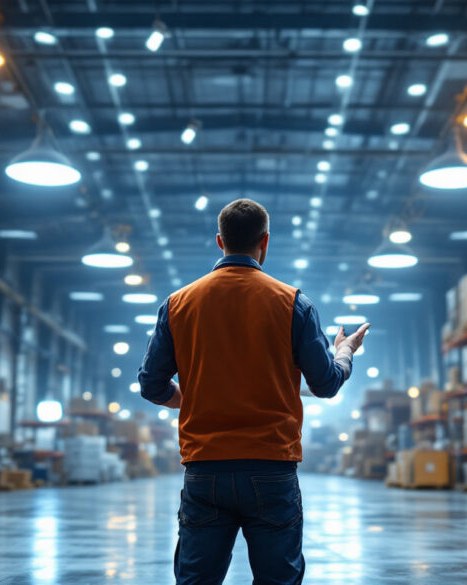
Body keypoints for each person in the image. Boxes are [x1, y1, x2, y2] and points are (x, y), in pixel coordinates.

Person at [137, 198, 370, 585]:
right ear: (265, 242)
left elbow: (151, 384)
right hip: (271, 468)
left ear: (219, 241)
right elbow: (325, 384)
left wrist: (190, 400)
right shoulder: (293, 304)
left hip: (205, 469)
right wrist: (344, 352)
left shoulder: (177, 305)